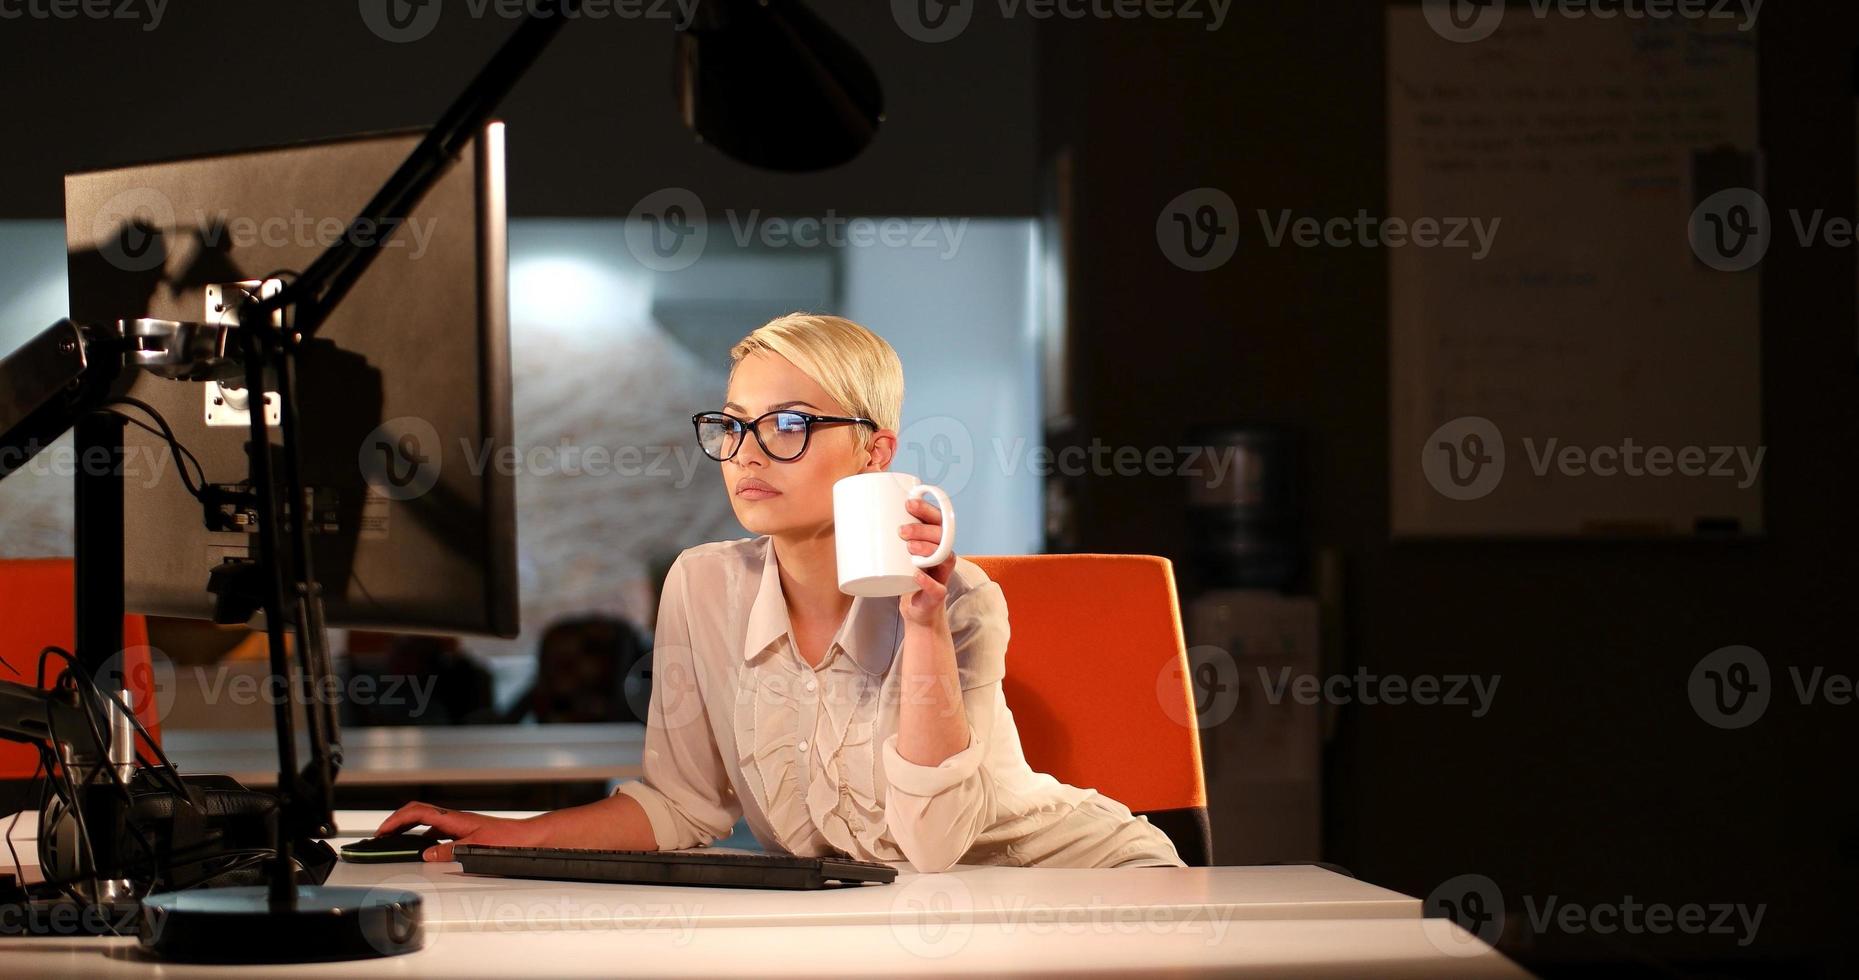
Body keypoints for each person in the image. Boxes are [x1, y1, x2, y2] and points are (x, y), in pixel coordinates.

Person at [377, 313, 1185, 872]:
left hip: (1072, 886)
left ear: (875, 452)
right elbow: (684, 809)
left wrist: (925, 622)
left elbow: (933, 848)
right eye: (731, 425)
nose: (748, 454)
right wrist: (507, 837)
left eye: (789, 425)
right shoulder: (702, 583)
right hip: (889, 923)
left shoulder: (960, 599)